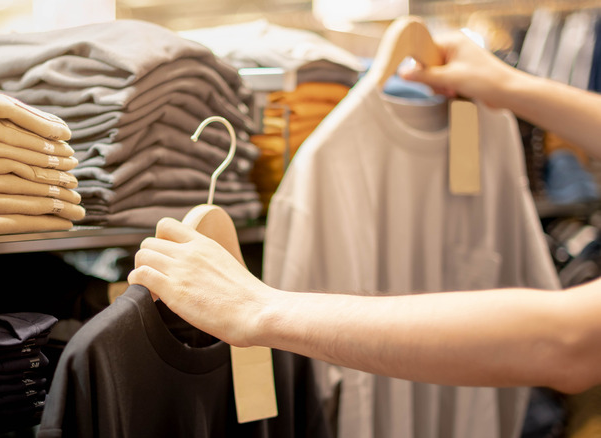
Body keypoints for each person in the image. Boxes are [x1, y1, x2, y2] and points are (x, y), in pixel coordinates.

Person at [127, 29, 601, 395]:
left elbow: (569, 341)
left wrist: (261, 309)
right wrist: (509, 85)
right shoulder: (329, 158)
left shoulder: (488, 136)